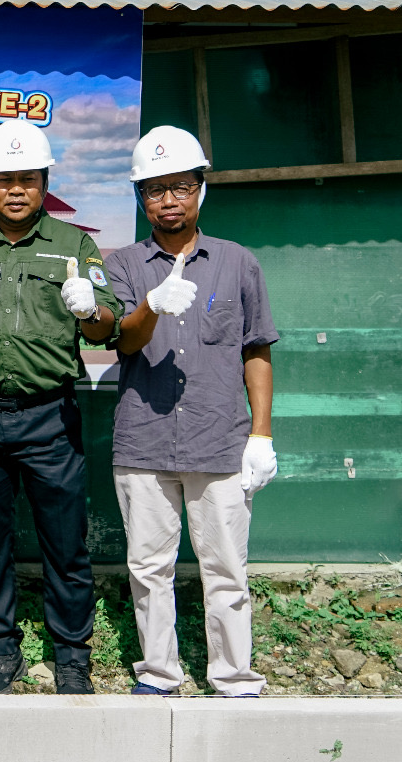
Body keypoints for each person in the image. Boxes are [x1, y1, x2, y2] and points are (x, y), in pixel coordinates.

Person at [0, 121, 123, 696]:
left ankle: (72, 653)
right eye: (4, 180)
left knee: (65, 543)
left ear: (45, 182)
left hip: (50, 416)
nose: (16, 190)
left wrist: (86, 309)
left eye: (27, 179)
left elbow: (107, 325)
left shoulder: (74, 245)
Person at [104, 125, 278, 698]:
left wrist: (261, 435)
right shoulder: (126, 265)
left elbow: (256, 350)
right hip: (144, 441)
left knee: (226, 571)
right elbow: (125, 342)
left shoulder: (237, 263)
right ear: (141, 198)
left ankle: (233, 676)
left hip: (219, 441)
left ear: (202, 189)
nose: (169, 200)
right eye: (155, 190)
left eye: (181, 186)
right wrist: (151, 307)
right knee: (149, 568)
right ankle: (159, 673)